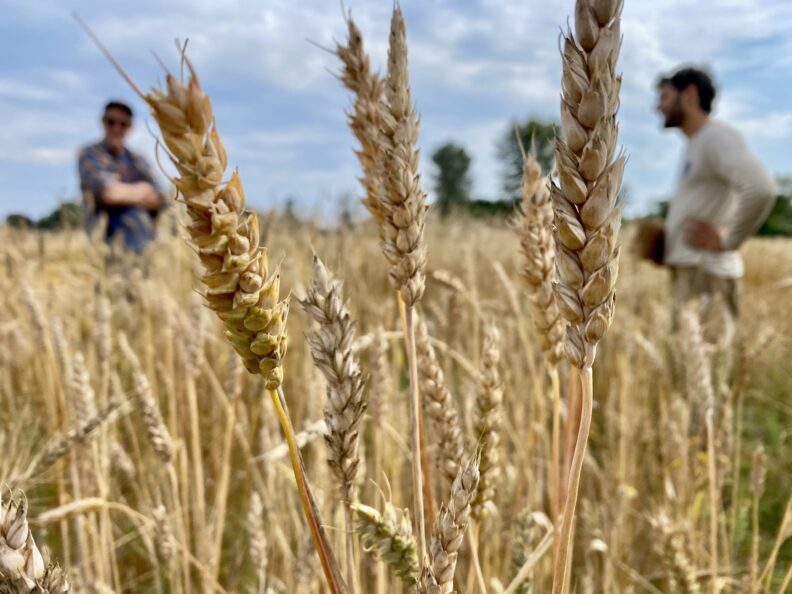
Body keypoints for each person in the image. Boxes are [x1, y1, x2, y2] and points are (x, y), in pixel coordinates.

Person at [655, 67, 777, 321]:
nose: (658, 107)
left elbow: (761, 188)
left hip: (707, 274)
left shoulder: (716, 137)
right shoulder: (696, 143)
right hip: (694, 272)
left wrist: (727, 239)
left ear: (689, 95)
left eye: (665, 97)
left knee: (709, 359)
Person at [78, 100, 164, 252]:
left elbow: (160, 197)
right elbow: (108, 193)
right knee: (131, 215)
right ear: (103, 122)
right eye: (111, 122)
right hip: (104, 241)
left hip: (147, 239)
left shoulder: (138, 158)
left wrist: (125, 193)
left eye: (123, 124)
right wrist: (143, 189)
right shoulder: (90, 153)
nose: (117, 128)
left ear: (130, 127)